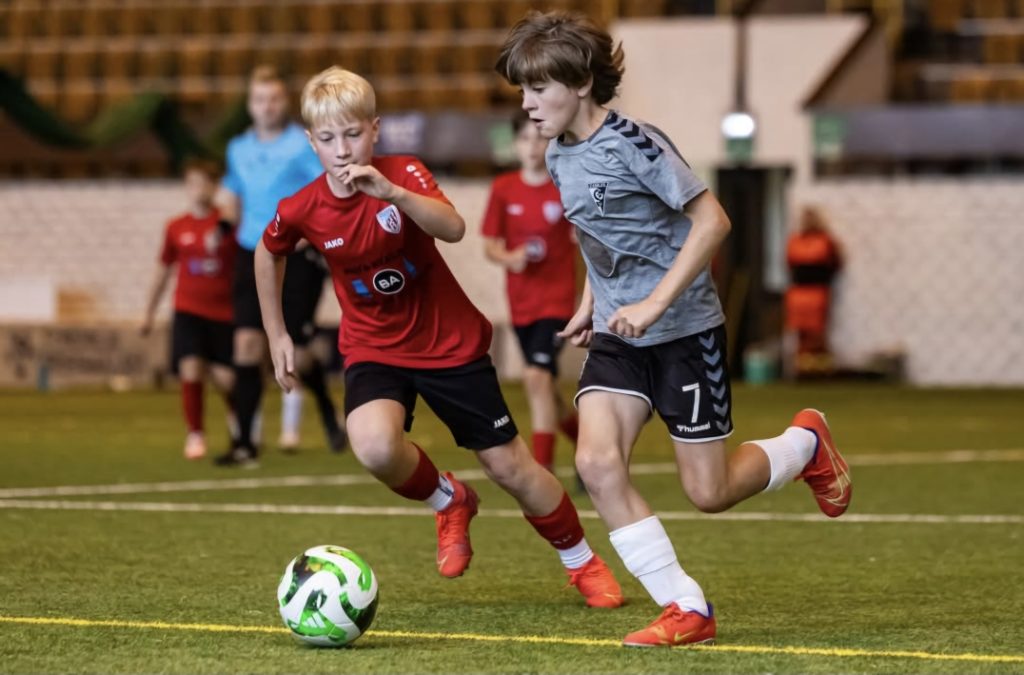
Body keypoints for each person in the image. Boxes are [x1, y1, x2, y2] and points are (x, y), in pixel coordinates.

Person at [496, 10, 853, 647]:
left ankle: (805, 444)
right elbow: (597, 236)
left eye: (538, 88)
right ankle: (687, 607)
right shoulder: (557, 154)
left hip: (685, 333)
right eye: (522, 89)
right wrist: (591, 302)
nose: (526, 103)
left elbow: (713, 221)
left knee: (708, 492)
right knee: (596, 463)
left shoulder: (635, 142)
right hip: (619, 336)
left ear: (581, 82)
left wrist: (655, 305)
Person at [254, 65, 624, 607]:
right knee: (374, 447)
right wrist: (277, 334)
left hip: (448, 343)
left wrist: (393, 193)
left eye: (353, 134)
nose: (342, 149)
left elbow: (453, 228)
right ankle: (450, 500)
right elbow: (267, 252)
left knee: (509, 467)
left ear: (375, 129)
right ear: (312, 141)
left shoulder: (404, 171)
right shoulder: (302, 207)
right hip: (373, 346)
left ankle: (582, 561)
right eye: (328, 138)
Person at [217, 65, 346, 466]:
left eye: (274, 98)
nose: (267, 106)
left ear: (284, 102)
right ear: (249, 105)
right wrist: (223, 221)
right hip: (251, 252)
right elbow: (232, 192)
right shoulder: (238, 148)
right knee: (247, 343)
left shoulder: (301, 145)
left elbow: (325, 190)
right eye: (260, 99)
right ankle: (244, 442)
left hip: (297, 254)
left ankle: (326, 407)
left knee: (298, 353)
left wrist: (313, 237)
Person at [481, 110, 581, 475]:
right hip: (521, 303)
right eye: (525, 138)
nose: (533, 146)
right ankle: (585, 441)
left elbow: (584, 240)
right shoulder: (503, 188)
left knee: (536, 377)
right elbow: (490, 245)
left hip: (557, 301)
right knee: (546, 387)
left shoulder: (566, 185)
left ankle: (543, 472)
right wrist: (511, 258)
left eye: (540, 138)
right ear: (515, 144)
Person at [141, 159, 238, 460]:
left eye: (204, 183)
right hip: (187, 310)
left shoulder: (228, 224)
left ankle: (241, 425)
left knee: (227, 379)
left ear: (215, 187)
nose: (198, 189)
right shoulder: (176, 226)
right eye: (193, 183)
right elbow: (162, 270)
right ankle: (195, 433)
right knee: (191, 366)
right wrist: (148, 311)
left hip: (224, 313)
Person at [785, 206, 843, 370]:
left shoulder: (825, 241)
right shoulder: (795, 241)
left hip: (817, 292)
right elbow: (790, 265)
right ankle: (802, 367)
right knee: (801, 332)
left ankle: (819, 367)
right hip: (798, 293)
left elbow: (836, 264)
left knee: (817, 333)